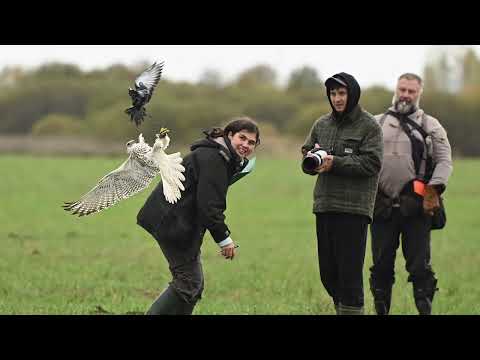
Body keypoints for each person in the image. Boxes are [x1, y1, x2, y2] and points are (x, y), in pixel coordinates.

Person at [137, 117, 260, 315]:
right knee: (189, 282)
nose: (245, 145)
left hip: (178, 223)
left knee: (192, 284)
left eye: (251, 142)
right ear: (229, 135)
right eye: (242, 138)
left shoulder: (221, 156)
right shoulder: (215, 158)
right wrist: (224, 239)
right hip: (171, 222)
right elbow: (209, 206)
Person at [369, 73, 453, 315]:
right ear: (396, 90)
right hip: (381, 207)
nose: (405, 95)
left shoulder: (431, 125)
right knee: (381, 267)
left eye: (411, 91)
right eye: (402, 89)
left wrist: (433, 190)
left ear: (419, 94)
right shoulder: (376, 122)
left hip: (417, 207)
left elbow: (445, 161)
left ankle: (424, 311)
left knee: (419, 269)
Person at [301, 72, 383, 315]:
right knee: (328, 273)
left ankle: (350, 310)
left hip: (354, 209)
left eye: (342, 93)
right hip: (325, 205)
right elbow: (307, 152)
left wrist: (335, 162)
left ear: (353, 94)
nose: (337, 98)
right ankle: (345, 310)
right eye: (333, 93)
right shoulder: (321, 124)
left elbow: (372, 163)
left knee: (349, 274)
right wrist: (310, 158)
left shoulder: (369, 126)